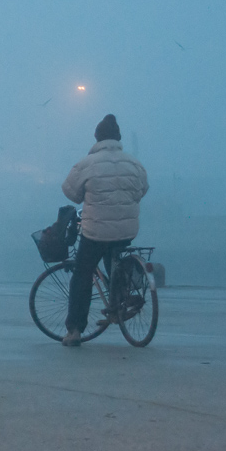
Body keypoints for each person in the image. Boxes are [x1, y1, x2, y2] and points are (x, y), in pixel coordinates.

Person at [60, 114, 148, 347]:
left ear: (97, 138)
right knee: (115, 253)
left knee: (82, 274)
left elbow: (71, 193)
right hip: (127, 229)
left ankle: (75, 330)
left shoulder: (86, 164)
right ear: (118, 138)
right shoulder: (134, 163)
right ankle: (121, 298)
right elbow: (142, 190)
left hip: (96, 231)